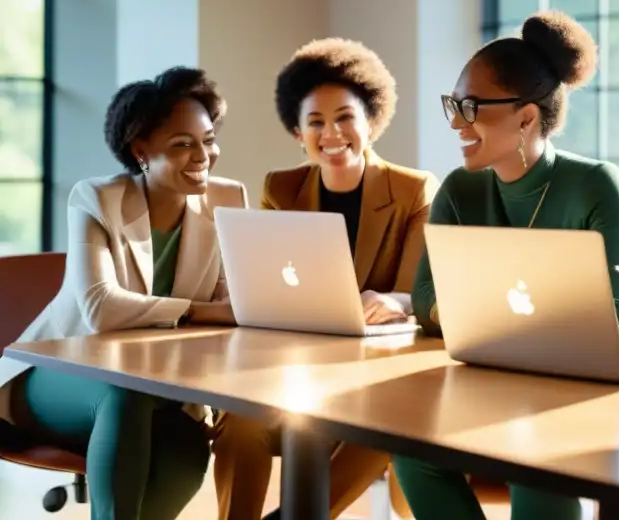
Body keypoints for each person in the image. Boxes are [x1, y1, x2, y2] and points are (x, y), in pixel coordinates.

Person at [390, 11, 619, 520]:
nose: (457, 122)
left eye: (471, 107)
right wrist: (513, 327)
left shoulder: (595, 184)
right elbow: (423, 298)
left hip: (571, 397)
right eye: (454, 105)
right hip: (481, 384)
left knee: (532, 456)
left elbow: (614, 324)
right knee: (410, 450)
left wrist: (474, 318)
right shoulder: (459, 190)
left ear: (526, 117)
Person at [0, 67, 247, 520]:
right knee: (125, 391)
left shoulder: (227, 201)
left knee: (186, 443)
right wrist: (199, 312)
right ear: (141, 152)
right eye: (182, 144)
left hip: (159, 387)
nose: (203, 155)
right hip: (57, 372)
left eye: (208, 139)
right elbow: (101, 308)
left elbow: (235, 307)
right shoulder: (97, 199)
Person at [212, 37, 438, 520]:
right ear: (298, 132)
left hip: (378, 374)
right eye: (315, 121)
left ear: (371, 122)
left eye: (345, 118)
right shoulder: (281, 187)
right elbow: (267, 285)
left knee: (394, 422)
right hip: (296, 366)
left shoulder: (412, 190)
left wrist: (396, 300)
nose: (331, 133)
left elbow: (414, 291)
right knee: (238, 424)